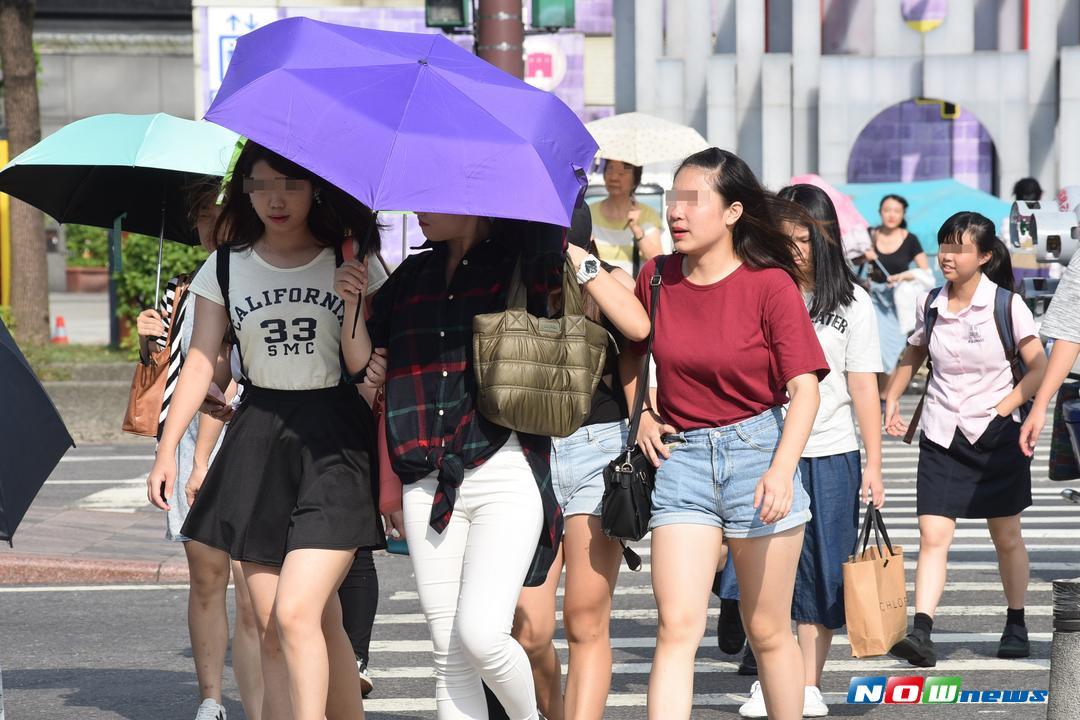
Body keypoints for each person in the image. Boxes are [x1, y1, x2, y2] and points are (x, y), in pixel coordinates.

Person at [146, 141, 385, 720]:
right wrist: (167, 452)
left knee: (297, 613)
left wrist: (354, 296)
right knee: (287, 624)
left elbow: (368, 366)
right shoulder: (225, 265)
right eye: (261, 184)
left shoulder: (350, 261)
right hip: (257, 436)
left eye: (291, 184)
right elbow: (201, 361)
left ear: (314, 190)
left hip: (335, 440)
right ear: (245, 190)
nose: (276, 199)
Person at [624, 147, 829, 720]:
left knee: (767, 631)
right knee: (677, 627)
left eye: (693, 202)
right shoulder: (657, 276)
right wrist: (639, 414)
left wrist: (782, 470)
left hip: (758, 453)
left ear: (734, 211)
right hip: (682, 459)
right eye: (672, 201)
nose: (676, 214)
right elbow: (630, 355)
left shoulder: (770, 285)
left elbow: (805, 388)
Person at [364, 212, 566, 719]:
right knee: (447, 654)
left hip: (503, 466)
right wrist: (352, 306)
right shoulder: (410, 276)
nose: (418, 209)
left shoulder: (522, 263)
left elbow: (552, 285)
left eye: (433, 196)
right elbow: (365, 352)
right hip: (425, 479)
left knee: (481, 635)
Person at [737, 183, 886, 718]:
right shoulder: (753, 288)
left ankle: (807, 683)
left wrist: (874, 463)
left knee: (821, 571)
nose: (794, 248)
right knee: (764, 571)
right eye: (784, 238)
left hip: (831, 451)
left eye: (804, 238)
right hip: (762, 448)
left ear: (825, 239)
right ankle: (769, 676)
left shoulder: (853, 302)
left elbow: (864, 385)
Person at [884, 212, 1047, 667]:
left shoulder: (1006, 305)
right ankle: (922, 631)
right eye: (944, 246)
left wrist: (1006, 404)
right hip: (941, 430)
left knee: (1006, 535)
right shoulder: (930, 301)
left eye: (958, 248)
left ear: (985, 256)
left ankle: (1015, 621)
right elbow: (914, 349)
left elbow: (1038, 366)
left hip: (995, 433)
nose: (947, 256)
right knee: (932, 534)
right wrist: (892, 398)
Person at [510, 205, 650, 720]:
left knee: (586, 621)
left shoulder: (608, 279)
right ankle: (553, 710)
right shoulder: (515, 284)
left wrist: (578, 259)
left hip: (598, 451)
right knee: (529, 628)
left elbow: (639, 326)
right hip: (530, 454)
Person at [137, 179, 262, 720]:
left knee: (254, 585)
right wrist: (149, 340)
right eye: (204, 215)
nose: (213, 224)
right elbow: (172, 374)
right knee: (206, 573)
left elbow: (227, 373)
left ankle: (259, 705)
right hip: (191, 437)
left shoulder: (258, 274)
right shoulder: (183, 289)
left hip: (245, 433)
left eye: (222, 212)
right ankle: (211, 698)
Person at [864, 194, 932, 394]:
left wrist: (903, 276)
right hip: (872, 299)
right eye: (887, 210)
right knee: (869, 351)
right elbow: (849, 257)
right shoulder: (870, 236)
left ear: (903, 214)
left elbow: (925, 272)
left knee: (890, 352)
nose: (891, 215)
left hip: (896, 304)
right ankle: (872, 397)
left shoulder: (910, 239)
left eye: (896, 211)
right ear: (880, 212)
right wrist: (864, 256)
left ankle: (885, 398)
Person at [589, 159, 664, 275]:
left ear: (635, 179)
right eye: (610, 169)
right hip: (596, 287)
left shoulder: (647, 215)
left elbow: (657, 260)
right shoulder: (589, 213)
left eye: (622, 173)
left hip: (631, 291)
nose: (614, 177)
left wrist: (636, 229)